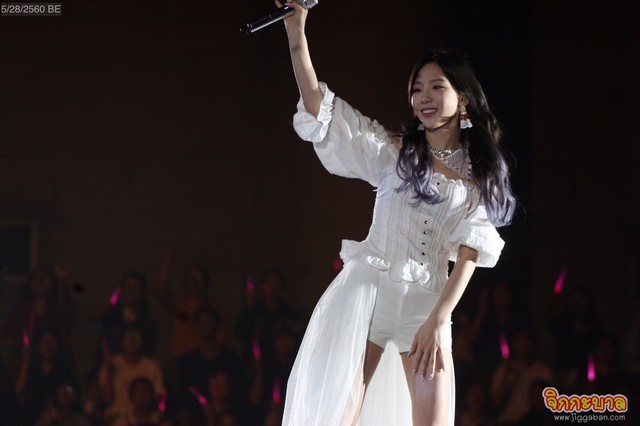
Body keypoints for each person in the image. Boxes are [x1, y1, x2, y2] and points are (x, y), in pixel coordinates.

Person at [276, 2, 516, 425]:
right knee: (340, 415)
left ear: (463, 98)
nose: (424, 97)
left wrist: (439, 319)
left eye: (436, 86)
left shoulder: (481, 174)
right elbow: (319, 107)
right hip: (369, 294)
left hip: (428, 303)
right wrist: (297, 34)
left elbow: (470, 252)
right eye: (417, 89)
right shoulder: (393, 152)